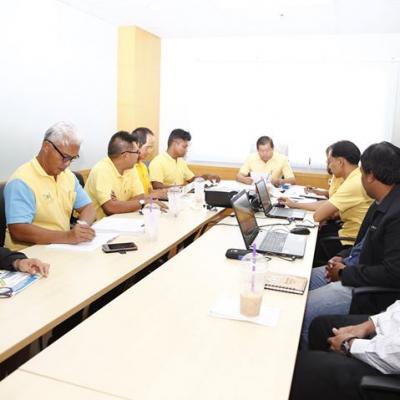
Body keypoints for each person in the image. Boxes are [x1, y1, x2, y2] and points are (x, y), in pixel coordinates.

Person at [301, 141, 400, 346]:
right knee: (299, 280)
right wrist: (343, 256)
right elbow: (363, 244)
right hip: (353, 268)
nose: (360, 177)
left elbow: (393, 273)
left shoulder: (396, 215)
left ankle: (302, 360)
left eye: (362, 172)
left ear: (370, 176)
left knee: (301, 308)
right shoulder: (381, 202)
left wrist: (345, 273)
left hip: (366, 289)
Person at [4, 122, 96, 251]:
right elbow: (18, 230)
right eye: (65, 157)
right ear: (46, 146)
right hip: (27, 255)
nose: (67, 164)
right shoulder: (21, 181)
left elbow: (88, 207)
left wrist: (82, 227)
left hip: (60, 247)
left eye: (72, 158)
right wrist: (67, 237)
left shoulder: (68, 176)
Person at [280, 140, 372, 264]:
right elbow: (328, 204)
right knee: (311, 234)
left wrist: (295, 205)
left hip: (350, 241)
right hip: (350, 232)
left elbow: (318, 216)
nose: (329, 166)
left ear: (340, 162)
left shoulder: (353, 183)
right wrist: (295, 205)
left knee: (303, 247)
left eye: (330, 161)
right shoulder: (356, 176)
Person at [290, 301, 400, 400]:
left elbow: (394, 356)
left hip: (391, 366)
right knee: (321, 326)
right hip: (391, 337)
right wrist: (368, 326)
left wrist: (349, 344)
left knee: (300, 366)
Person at [85, 131, 167, 220]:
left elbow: (140, 196)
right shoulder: (102, 169)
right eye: (137, 152)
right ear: (125, 156)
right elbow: (110, 209)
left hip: (122, 219)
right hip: (99, 224)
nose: (138, 155)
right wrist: (141, 202)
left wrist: (119, 204)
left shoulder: (131, 168)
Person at [149, 128, 220, 189]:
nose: (186, 150)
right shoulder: (157, 162)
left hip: (180, 197)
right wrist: (183, 188)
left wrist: (207, 176)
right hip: (167, 198)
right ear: (175, 143)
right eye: (184, 147)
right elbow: (157, 187)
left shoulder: (181, 161)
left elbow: (192, 180)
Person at [131, 127, 167, 199]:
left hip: (147, 203)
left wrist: (166, 191)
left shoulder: (143, 166)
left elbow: (149, 192)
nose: (150, 151)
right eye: (148, 147)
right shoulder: (128, 168)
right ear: (136, 145)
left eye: (152, 147)